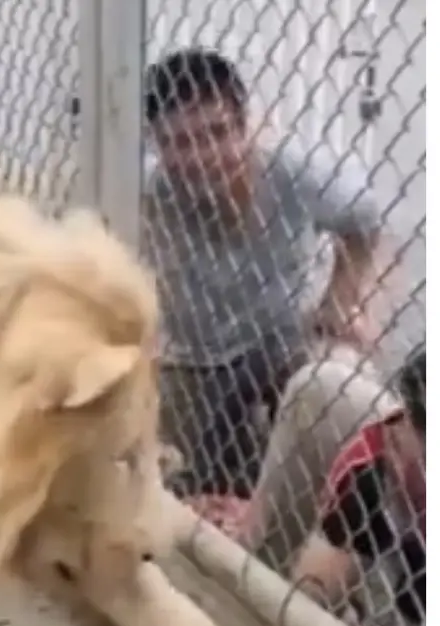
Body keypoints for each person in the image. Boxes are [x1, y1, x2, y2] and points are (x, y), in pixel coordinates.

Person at [141, 48, 386, 497]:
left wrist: (342, 301)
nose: (204, 156)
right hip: (194, 355)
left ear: (243, 125)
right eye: (179, 141)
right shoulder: (145, 191)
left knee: (341, 381)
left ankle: (329, 514)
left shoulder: (293, 169)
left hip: (283, 337)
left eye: (217, 132)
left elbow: (365, 220)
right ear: (155, 144)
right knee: (179, 477)